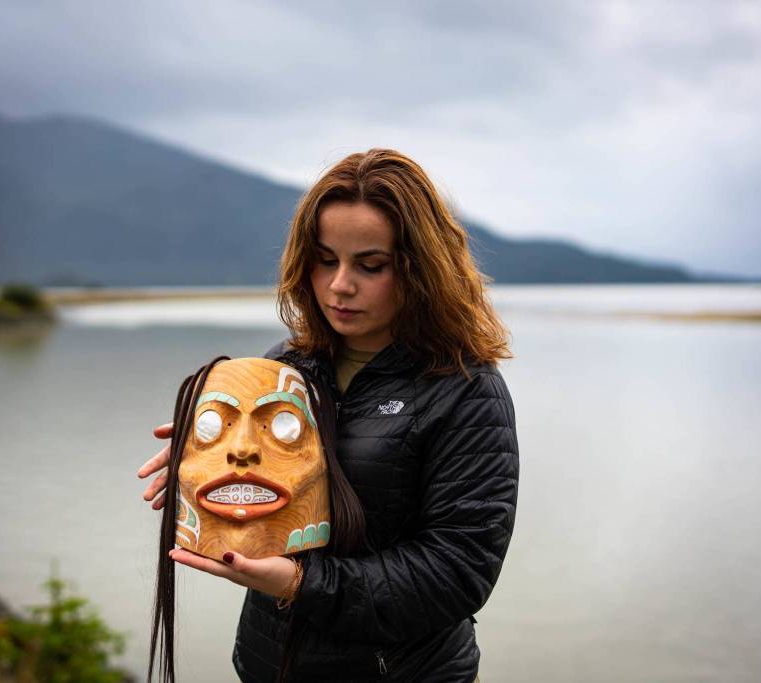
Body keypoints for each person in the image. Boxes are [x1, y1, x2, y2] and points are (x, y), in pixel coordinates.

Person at [138, 148, 519, 682]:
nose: (340, 285)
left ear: (421, 270)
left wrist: (301, 585)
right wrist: (207, 449)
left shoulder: (465, 390)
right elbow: (256, 494)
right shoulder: (285, 368)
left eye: (370, 265)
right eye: (325, 259)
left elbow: (458, 572)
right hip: (271, 667)